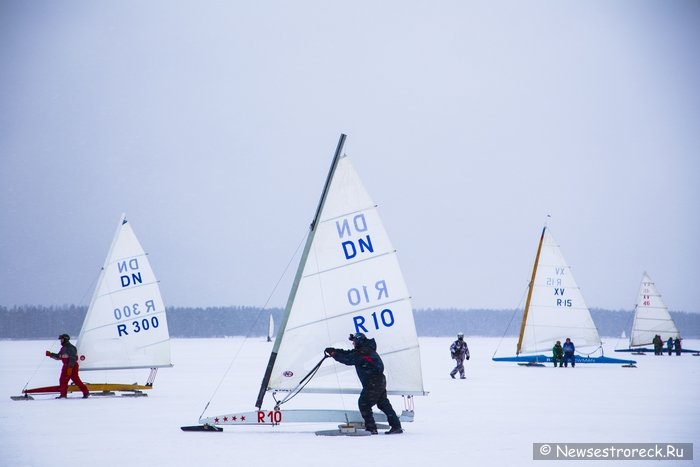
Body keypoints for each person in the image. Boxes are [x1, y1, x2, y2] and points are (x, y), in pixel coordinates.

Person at [324, 333, 403, 435]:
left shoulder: (363, 352)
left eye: (354, 341)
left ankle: (371, 428)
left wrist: (335, 354)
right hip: (379, 381)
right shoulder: (365, 350)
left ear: (359, 341)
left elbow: (348, 359)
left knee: (364, 403)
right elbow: (349, 354)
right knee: (383, 404)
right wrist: (335, 351)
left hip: (373, 382)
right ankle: (396, 426)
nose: (353, 343)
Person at [46, 334, 89, 399]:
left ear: (65, 339)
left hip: (72, 366)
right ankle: (63, 395)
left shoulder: (71, 347)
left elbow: (73, 358)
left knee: (76, 380)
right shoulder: (63, 348)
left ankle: (86, 392)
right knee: (62, 380)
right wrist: (50, 354)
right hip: (66, 366)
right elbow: (59, 357)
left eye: (62, 339)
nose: (60, 341)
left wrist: (70, 367)